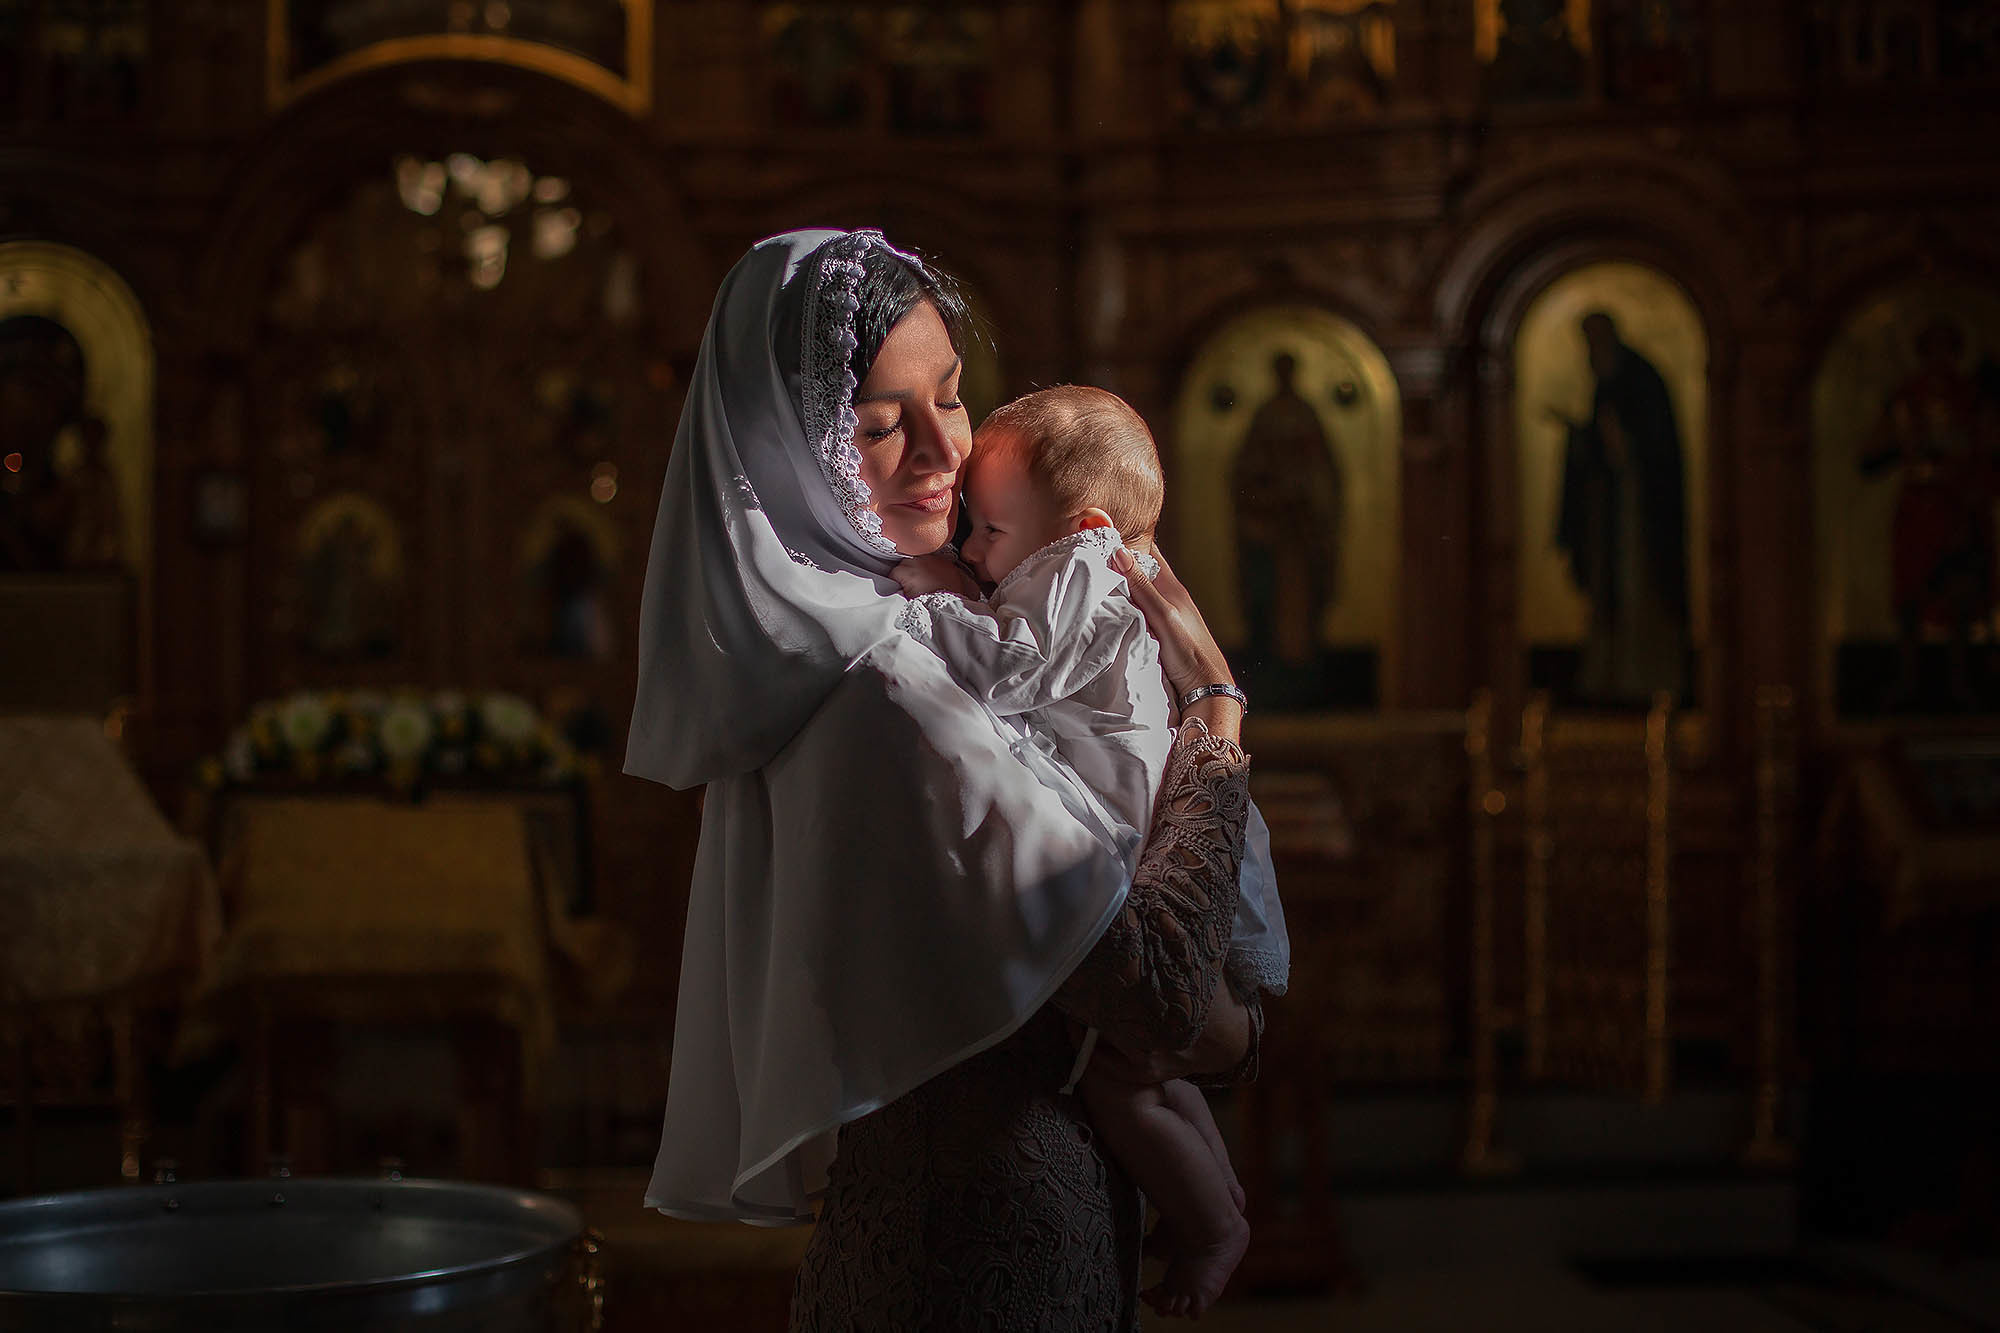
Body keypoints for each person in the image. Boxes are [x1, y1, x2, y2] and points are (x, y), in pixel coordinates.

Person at [626, 230, 1263, 1330]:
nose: (940, 453)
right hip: (970, 1262)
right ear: (788, 448)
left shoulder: (920, 625)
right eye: (876, 424)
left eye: (953, 398)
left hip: (1017, 1230)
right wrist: (1211, 708)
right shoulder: (877, 683)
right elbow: (1165, 1001)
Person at [892, 385, 1290, 1318]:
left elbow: (1008, 669)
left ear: (1083, 525)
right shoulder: (1078, 569)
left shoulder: (1074, 574)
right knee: (1137, 1073)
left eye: (987, 530)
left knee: (1127, 1082)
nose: (974, 554)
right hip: (1161, 851)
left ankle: (1213, 1222)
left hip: (1149, 852)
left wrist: (933, 597)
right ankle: (1219, 1198)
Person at [1549, 310, 1690, 706]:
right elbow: (1601, 446)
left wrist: (1622, 446)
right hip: (1610, 515)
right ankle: (1609, 676)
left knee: (1641, 589)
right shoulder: (1606, 384)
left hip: (1642, 518)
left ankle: (1643, 678)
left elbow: (1653, 448)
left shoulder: (1641, 380)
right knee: (1608, 590)